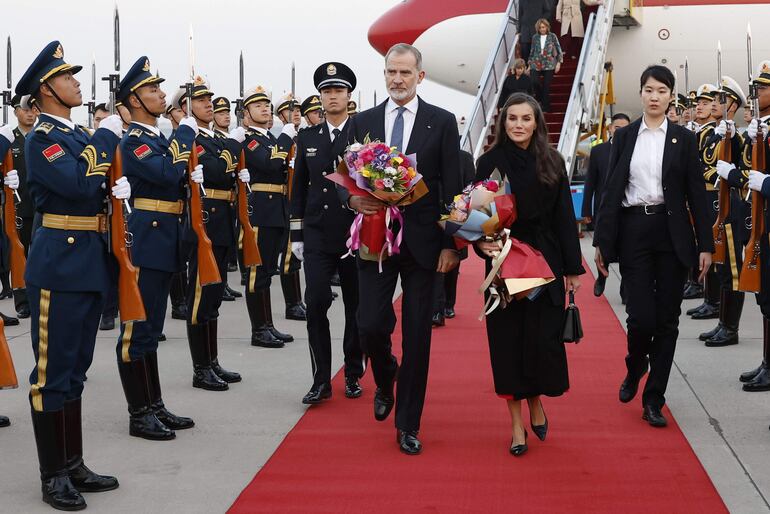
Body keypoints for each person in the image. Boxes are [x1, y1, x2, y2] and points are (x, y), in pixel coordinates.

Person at [16, 40, 126, 510]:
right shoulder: (43, 139)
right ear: (47, 88)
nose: (77, 83)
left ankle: (73, 461)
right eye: (68, 77)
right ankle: (52, 475)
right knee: (52, 374)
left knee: (76, 371)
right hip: (58, 264)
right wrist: (106, 139)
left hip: (87, 262)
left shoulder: (75, 137)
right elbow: (80, 187)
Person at [344, 43, 462, 455]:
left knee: (417, 336)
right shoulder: (363, 122)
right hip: (375, 240)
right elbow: (343, 176)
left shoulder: (442, 122)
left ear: (420, 77)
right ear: (384, 75)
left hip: (423, 243)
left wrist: (453, 246)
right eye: (391, 72)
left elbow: (453, 188)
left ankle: (408, 423)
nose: (398, 79)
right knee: (370, 325)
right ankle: (385, 371)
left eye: (405, 73)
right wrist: (352, 201)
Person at [595, 65, 713, 428]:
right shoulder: (625, 137)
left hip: (671, 232)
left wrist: (705, 246)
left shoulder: (684, 139)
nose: (655, 96)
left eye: (662, 90)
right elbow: (612, 190)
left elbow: (697, 195)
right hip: (634, 230)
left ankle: (654, 399)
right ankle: (635, 367)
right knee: (640, 317)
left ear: (670, 95)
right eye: (648, 89)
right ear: (641, 93)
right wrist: (602, 241)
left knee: (667, 320)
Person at [475, 92, 583, 456]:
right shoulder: (488, 162)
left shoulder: (552, 160)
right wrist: (480, 246)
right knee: (507, 344)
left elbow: (565, 217)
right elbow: (476, 219)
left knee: (539, 342)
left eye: (525, 119)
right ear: (502, 123)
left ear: (537, 122)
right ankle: (516, 425)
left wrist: (572, 268)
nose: (518, 125)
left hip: (545, 263)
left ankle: (536, 402)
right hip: (504, 263)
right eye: (512, 119)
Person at [115, 57, 198, 439]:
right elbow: (167, 174)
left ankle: (154, 403)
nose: (162, 94)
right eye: (152, 89)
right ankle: (139, 413)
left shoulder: (155, 138)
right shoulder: (135, 141)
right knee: (138, 330)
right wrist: (184, 137)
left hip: (165, 236)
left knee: (152, 328)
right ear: (133, 100)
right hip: (147, 239)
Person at [290, 62, 365, 405]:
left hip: (355, 231)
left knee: (356, 306)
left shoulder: (364, 136)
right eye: (326, 91)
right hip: (318, 233)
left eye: (338, 91)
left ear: (349, 96)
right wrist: (297, 236)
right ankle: (320, 378)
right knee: (317, 300)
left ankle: (352, 371)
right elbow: (298, 190)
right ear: (320, 97)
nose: (332, 97)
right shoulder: (306, 138)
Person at [181, 77, 246, 391]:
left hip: (221, 222)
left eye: (210, 99)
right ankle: (199, 368)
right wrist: (230, 156)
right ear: (185, 108)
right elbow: (221, 171)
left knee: (213, 297)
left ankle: (212, 361)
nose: (208, 103)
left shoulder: (214, 140)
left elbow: (227, 164)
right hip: (203, 221)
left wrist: (227, 158)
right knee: (200, 297)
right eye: (200, 100)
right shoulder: (190, 139)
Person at [241, 85, 296, 348]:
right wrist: (286, 137)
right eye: (258, 106)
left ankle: (268, 325)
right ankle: (258, 329)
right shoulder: (250, 139)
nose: (265, 109)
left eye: (267, 105)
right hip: (261, 211)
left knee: (267, 272)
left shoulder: (269, 139)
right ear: (246, 115)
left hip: (277, 211)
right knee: (257, 273)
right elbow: (271, 163)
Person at [699, 77, 748, 348]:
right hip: (718, 204)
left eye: (720, 100)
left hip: (730, 206)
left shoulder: (736, 136)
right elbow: (706, 165)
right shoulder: (717, 135)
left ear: (731, 104)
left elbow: (738, 170)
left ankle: (731, 327)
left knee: (733, 268)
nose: (715, 104)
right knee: (722, 265)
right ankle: (723, 322)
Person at [738, 60, 770, 391]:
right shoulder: (762, 127)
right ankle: (767, 362)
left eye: (762, 88)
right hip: (763, 223)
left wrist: (767, 184)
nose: (757, 93)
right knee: (765, 298)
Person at [686, 84, 721, 321]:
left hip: (711, 196)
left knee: (711, 247)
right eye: (699, 103)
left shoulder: (712, 134)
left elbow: (707, 167)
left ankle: (713, 300)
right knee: (699, 242)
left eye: (705, 103)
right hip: (698, 194)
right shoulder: (700, 132)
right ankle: (705, 293)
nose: (699, 107)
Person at [432, 148, 476, 326]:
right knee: (436, 265)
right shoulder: (428, 154)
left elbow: (471, 186)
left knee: (452, 265)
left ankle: (449, 303)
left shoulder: (464, 158)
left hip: (456, 216)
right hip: (432, 215)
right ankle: (436, 309)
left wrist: (462, 209)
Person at [274, 94, 308, 322]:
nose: (295, 113)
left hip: (302, 202)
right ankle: (292, 304)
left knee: (296, 258)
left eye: (297, 110)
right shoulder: (281, 139)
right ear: (280, 115)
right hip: (285, 203)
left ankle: (298, 301)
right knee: (288, 255)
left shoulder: (302, 137)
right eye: (289, 110)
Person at [212, 95, 246, 298]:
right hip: (217, 199)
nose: (225, 116)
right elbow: (220, 169)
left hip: (230, 197)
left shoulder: (227, 138)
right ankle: (219, 283)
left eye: (227, 113)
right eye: (220, 113)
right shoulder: (219, 140)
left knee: (228, 243)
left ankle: (223, 283)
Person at [7, 94, 35, 319]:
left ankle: (38, 297)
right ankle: (23, 300)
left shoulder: (42, 136)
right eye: (24, 109)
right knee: (20, 254)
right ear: (16, 111)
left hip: (42, 208)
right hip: (20, 208)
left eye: (32, 108)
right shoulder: (9, 139)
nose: (29, 113)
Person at [581, 113, 630, 225]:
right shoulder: (598, 151)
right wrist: (586, 210)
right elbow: (590, 181)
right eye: (617, 127)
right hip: (604, 207)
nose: (621, 131)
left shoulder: (636, 149)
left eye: (625, 128)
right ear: (610, 128)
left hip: (629, 208)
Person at [528, 18, 563, 113]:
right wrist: (529, 64)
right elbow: (532, 51)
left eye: (543, 27)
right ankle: (540, 99)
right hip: (536, 63)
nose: (542, 29)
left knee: (546, 86)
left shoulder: (552, 36)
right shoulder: (535, 37)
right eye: (540, 28)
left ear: (547, 27)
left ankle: (546, 107)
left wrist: (559, 63)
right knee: (534, 81)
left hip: (549, 64)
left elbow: (559, 50)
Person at [517, 0, 552, 69]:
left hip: (536, 29)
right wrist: (519, 30)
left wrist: (540, 20)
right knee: (525, 51)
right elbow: (520, 15)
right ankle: (527, 71)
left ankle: (539, 70)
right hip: (525, 30)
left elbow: (548, 12)